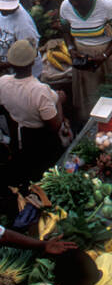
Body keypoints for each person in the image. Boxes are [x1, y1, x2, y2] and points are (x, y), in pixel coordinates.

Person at [59, 0, 112, 120]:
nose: (74, 3)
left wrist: (103, 56)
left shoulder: (107, 4)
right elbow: (65, 31)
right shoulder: (65, 7)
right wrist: (71, 49)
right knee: (91, 93)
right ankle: (94, 122)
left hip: (107, 52)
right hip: (84, 54)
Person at [0, 40, 67, 180]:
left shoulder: (3, 82)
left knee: (31, 169)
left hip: (23, 136)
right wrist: (59, 102)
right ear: (32, 63)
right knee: (48, 172)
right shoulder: (39, 91)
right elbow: (55, 126)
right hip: (44, 140)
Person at [0, 0, 43, 75]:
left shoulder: (24, 24)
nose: (5, 10)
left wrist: (4, 65)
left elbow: (30, 54)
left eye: (9, 7)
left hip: (24, 73)